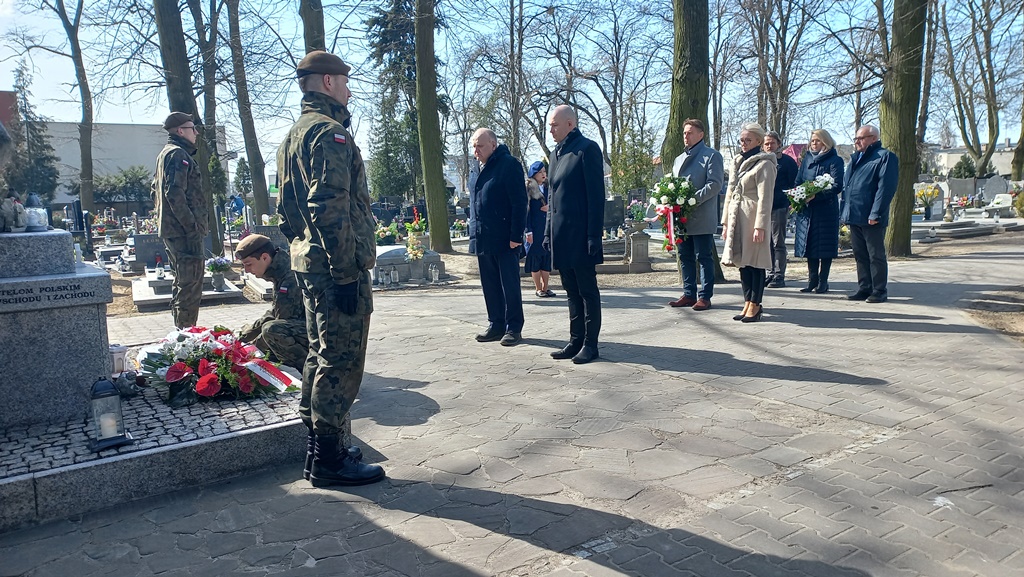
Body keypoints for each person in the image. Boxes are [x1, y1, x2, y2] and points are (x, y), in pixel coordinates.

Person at [276, 50, 384, 487]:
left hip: (309, 263)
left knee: (319, 355)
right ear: (326, 82)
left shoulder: (294, 136)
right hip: (335, 267)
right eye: (344, 82)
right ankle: (329, 460)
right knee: (340, 359)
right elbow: (329, 206)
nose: (349, 90)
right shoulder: (329, 133)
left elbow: (286, 212)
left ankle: (321, 449)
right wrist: (345, 271)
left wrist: (305, 248)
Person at [544, 105, 604, 364]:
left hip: (581, 236)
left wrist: (593, 235)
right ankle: (575, 340)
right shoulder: (555, 154)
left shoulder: (587, 149)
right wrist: (547, 233)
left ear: (570, 124)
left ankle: (591, 344)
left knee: (587, 290)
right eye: (550, 125)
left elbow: (596, 196)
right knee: (570, 290)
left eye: (554, 125)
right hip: (561, 236)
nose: (551, 130)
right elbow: (552, 197)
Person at [469, 128, 527, 346]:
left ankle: (514, 327)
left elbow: (519, 202)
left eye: (480, 146)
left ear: (493, 145)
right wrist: (473, 234)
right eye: (474, 146)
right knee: (489, 284)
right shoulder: (475, 168)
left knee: (509, 284)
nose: (476, 151)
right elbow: (475, 203)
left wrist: (516, 235)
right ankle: (496, 324)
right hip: (482, 236)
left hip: (505, 237)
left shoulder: (509, 165)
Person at [154, 112, 208, 330]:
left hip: (175, 230)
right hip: (184, 232)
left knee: (183, 283)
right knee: (190, 285)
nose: (196, 133)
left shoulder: (166, 154)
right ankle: (187, 335)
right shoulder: (177, 154)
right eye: (192, 128)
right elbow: (174, 193)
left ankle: (182, 332)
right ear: (180, 131)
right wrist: (192, 228)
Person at [667, 119, 724, 310]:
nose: (686, 136)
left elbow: (715, 184)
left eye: (690, 132)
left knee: (703, 256)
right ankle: (689, 294)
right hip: (681, 217)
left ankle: (705, 296)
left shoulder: (711, 156)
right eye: (684, 133)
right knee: (685, 256)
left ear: (701, 134)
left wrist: (691, 200)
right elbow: (673, 185)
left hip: (701, 215)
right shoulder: (678, 159)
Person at [722, 123, 777, 323]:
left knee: (755, 262)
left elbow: (766, 197)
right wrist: (726, 222)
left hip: (753, 217)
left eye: (748, 140)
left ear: (759, 141)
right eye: (741, 140)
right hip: (737, 217)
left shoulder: (765, 164)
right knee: (742, 262)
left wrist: (760, 225)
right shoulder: (737, 162)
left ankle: (756, 303)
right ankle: (747, 301)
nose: (743, 143)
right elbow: (730, 193)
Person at [842, 124, 898, 303]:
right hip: (854, 214)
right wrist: (845, 213)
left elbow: (885, 188)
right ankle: (864, 287)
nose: (857, 142)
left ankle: (879, 290)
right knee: (860, 254)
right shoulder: (855, 159)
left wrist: (876, 213)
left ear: (874, 138)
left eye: (861, 138)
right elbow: (848, 188)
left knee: (875, 255)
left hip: (870, 216)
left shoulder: (884, 157)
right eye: (856, 138)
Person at [235, 234, 307, 371]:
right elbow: (274, 313)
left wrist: (248, 352)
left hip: (325, 335)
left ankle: (313, 371)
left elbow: (281, 322)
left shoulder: (290, 278)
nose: (247, 270)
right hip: (307, 328)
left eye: (249, 264)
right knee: (267, 335)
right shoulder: (280, 272)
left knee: (272, 332)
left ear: (264, 257)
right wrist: (242, 339)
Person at [793, 129, 844, 294]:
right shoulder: (807, 159)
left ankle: (823, 281)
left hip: (825, 210)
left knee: (825, 247)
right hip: (807, 210)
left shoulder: (835, 160)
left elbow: (837, 186)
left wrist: (816, 195)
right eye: (812, 141)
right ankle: (812, 281)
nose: (814, 143)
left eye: (818, 141)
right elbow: (799, 180)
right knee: (810, 246)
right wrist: (799, 194)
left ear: (825, 142)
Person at [763, 130, 798, 288]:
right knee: (766, 243)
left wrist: (789, 202)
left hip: (779, 207)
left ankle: (779, 275)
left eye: (772, 143)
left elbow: (794, 184)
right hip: (762, 208)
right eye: (766, 143)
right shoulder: (760, 161)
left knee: (778, 242)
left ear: (779, 144)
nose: (769, 146)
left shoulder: (787, 162)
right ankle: (769, 273)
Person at [525, 161, 555, 298]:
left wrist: (550, 208)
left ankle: (546, 287)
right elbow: (526, 212)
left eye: (544, 171)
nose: (543, 174)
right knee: (535, 257)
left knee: (546, 257)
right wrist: (528, 231)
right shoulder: (528, 188)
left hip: (547, 228)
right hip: (535, 228)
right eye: (540, 172)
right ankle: (538, 288)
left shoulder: (549, 187)